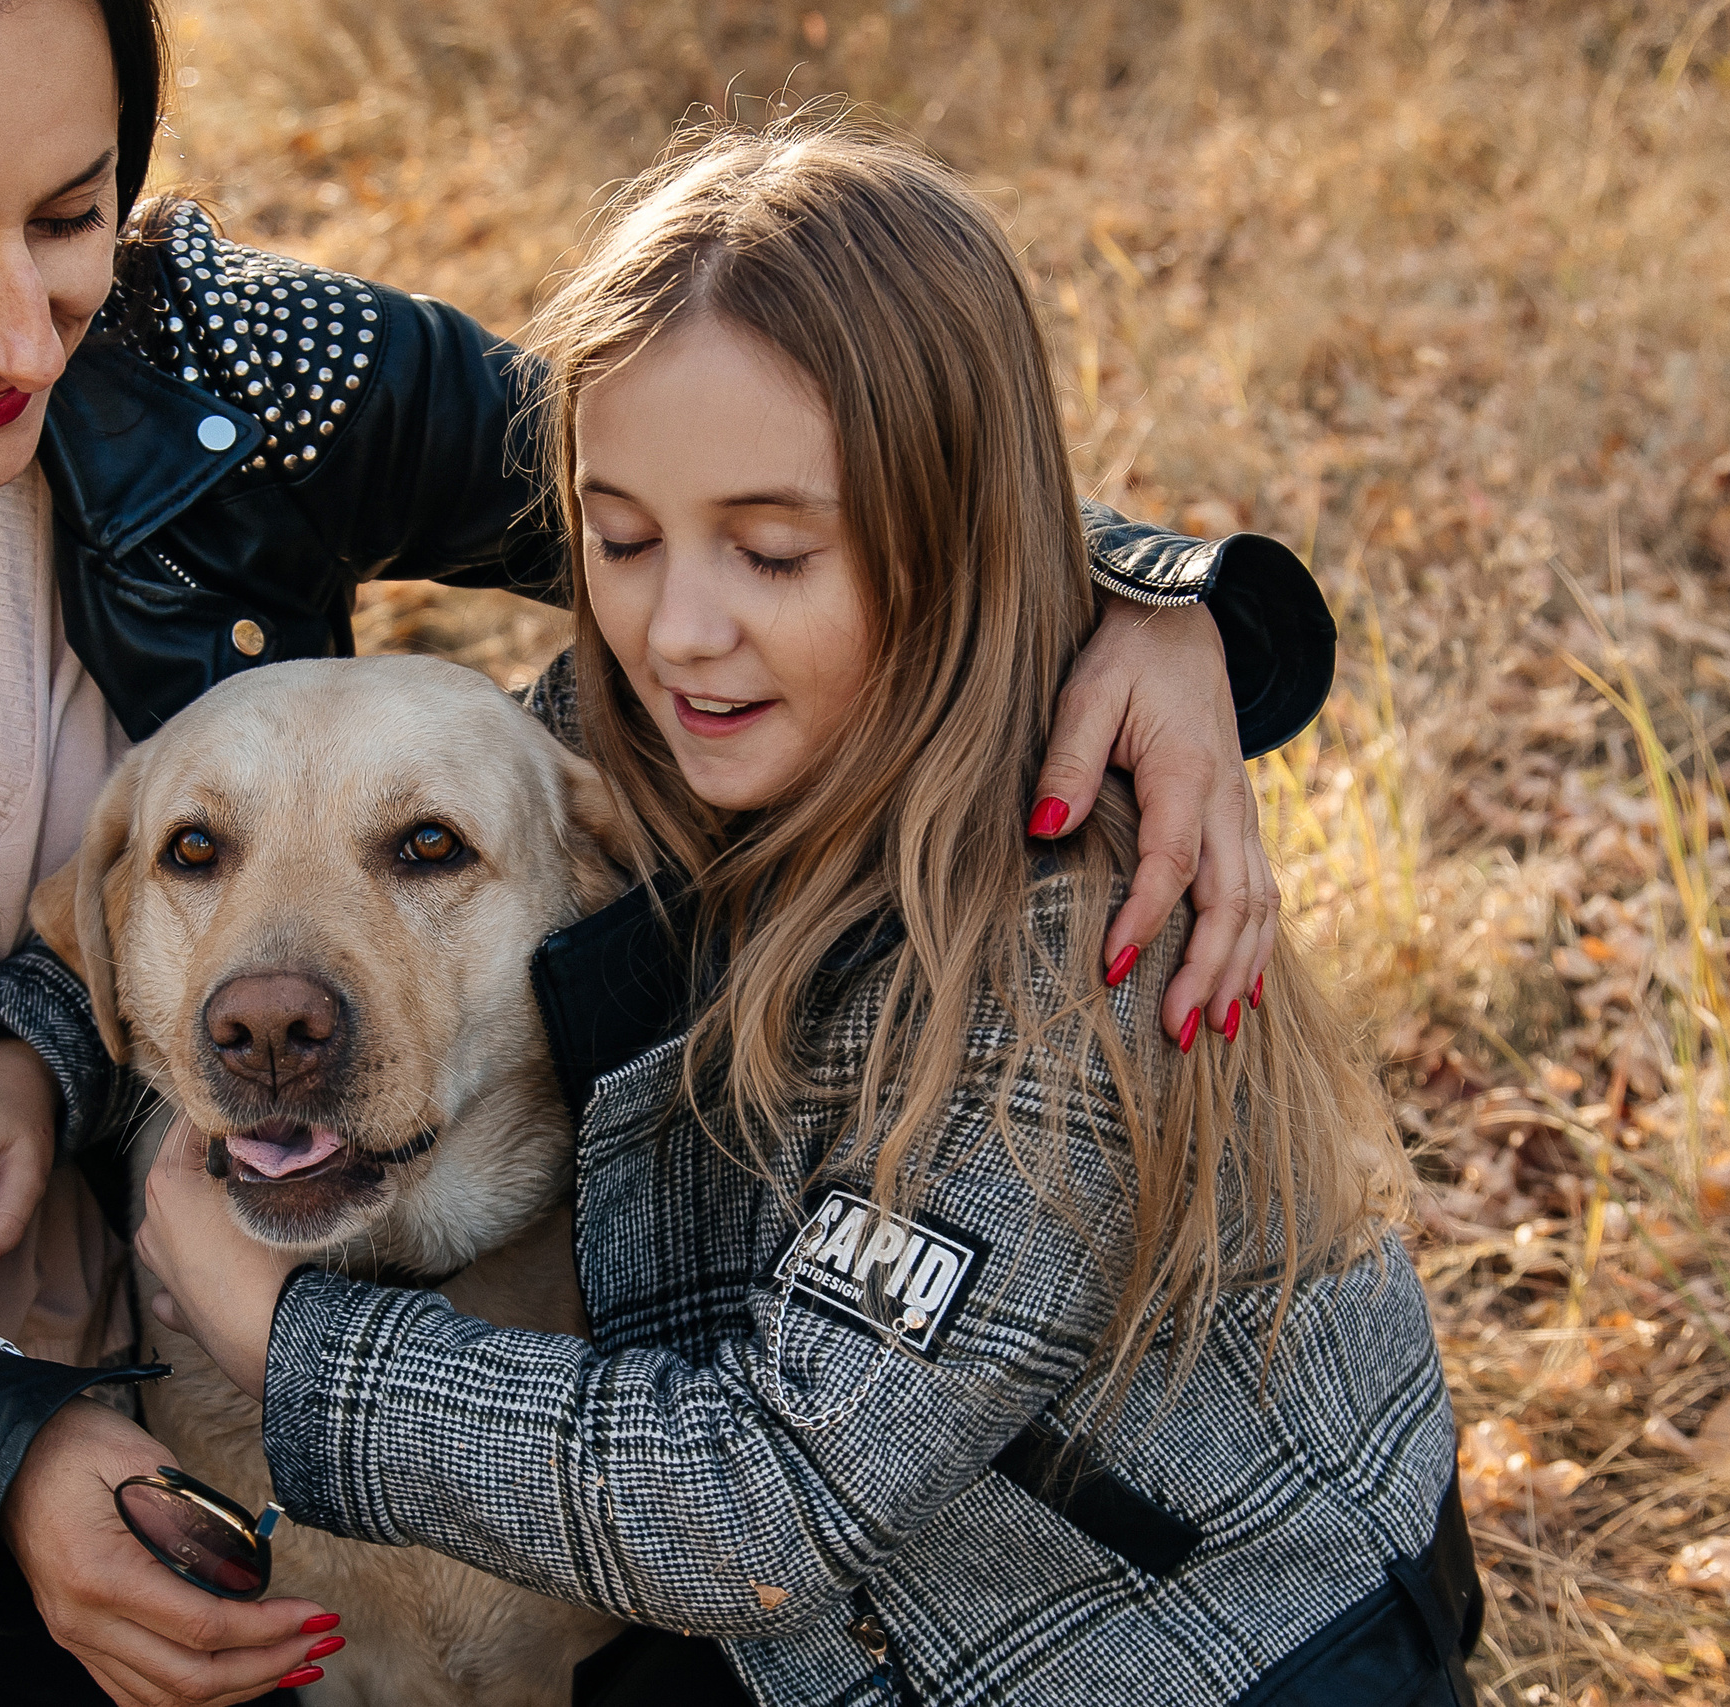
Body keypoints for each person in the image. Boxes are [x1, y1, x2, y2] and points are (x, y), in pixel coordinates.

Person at [0, 0, 1332, 1696]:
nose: (20, 329)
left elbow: (735, 466)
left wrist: (1144, 604)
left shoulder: (214, 366)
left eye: (68, 212)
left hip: (169, 1245)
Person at [131, 119, 1473, 1706]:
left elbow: (759, 1510)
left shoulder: (1073, 963)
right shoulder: (669, 731)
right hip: (829, 1625)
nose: (678, 631)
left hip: (1181, 1658)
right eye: (619, 540)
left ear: (952, 546)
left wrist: (286, 1347)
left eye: (771, 552)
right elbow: (278, 867)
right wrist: (29, 1048)